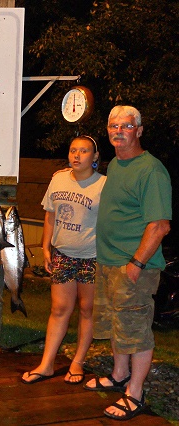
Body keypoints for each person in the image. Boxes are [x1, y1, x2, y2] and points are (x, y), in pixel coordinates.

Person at [83, 106, 172, 421]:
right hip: (108, 263)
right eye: (112, 125)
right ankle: (120, 374)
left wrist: (136, 263)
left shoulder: (151, 170)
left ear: (140, 130)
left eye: (127, 125)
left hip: (133, 266)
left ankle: (135, 392)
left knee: (135, 330)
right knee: (117, 326)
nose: (118, 131)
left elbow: (159, 225)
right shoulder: (118, 166)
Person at [21, 135, 106, 385]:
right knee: (59, 309)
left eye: (84, 151)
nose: (77, 155)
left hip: (93, 257)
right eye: (73, 150)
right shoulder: (58, 179)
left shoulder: (104, 185)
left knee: (87, 310)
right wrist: (46, 247)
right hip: (63, 255)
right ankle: (47, 364)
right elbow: (50, 214)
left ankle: (77, 362)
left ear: (95, 156)